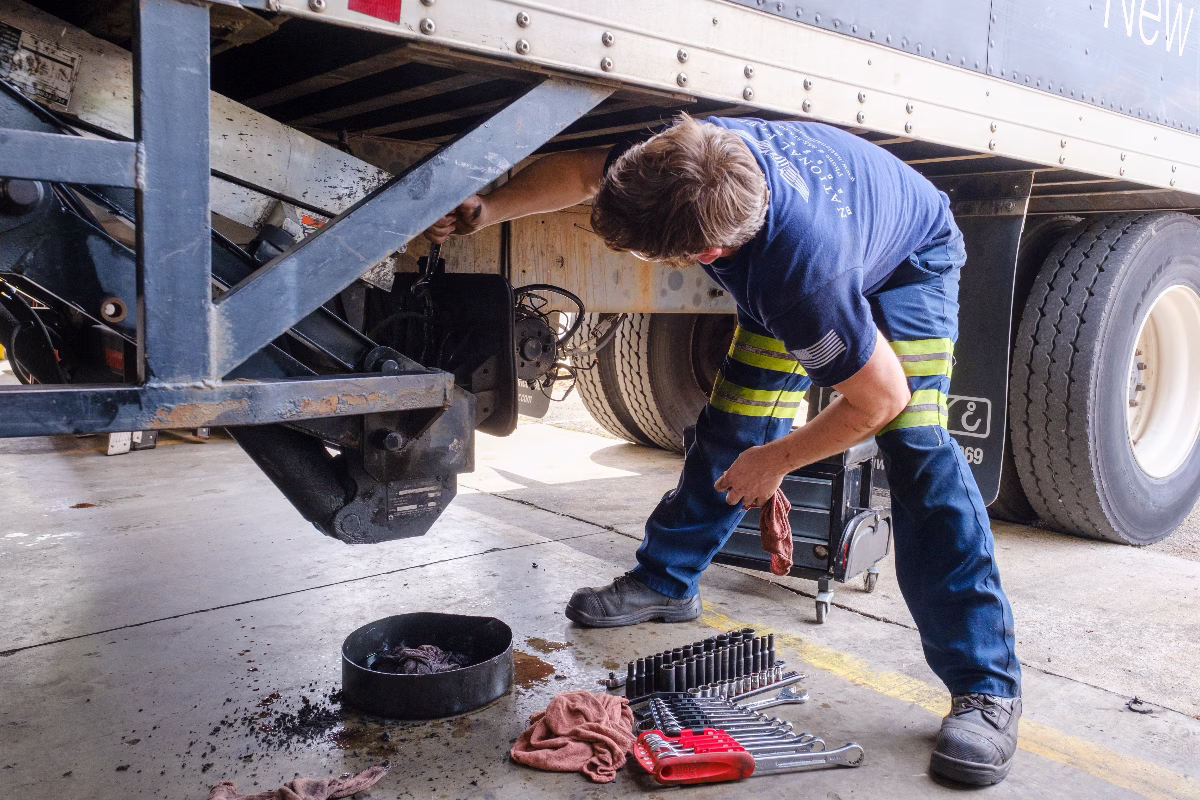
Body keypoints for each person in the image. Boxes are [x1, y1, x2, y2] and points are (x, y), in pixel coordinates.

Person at [425, 114, 1021, 786]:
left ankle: (987, 686)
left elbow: (876, 400)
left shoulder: (798, 280)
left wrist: (779, 460)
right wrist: (491, 206)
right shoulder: (678, 160)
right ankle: (666, 581)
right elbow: (585, 170)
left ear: (708, 255)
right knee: (733, 426)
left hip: (911, 256)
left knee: (918, 447)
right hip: (814, 234)